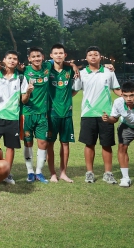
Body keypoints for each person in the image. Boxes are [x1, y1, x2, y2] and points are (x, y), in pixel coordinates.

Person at [73, 46, 121, 184]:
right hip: (88, 114)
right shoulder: (81, 73)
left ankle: (108, 173)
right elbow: (74, 91)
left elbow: (116, 89)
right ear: (86, 58)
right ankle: (89, 173)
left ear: (100, 57)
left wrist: (130, 97)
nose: (93, 56)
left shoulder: (109, 72)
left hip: (106, 114)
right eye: (90, 54)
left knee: (107, 145)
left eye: (96, 54)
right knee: (89, 144)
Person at [0, 51, 30, 185]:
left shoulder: (21, 78)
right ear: (4, 60)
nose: (12, 60)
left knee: (10, 147)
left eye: (15, 59)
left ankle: (6, 173)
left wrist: (28, 92)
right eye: (9, 58)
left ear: (17, 62)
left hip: (13, 117)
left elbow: (23, 100)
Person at [47, 43, 78, 183]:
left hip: (67, 113)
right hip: (51, 114)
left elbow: (76, 87)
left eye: (61, 53)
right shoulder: (47, 69)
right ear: (51, 55)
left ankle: (63, 173)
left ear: (65, 55)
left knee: (65, 143)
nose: (58, 55)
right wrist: (72, 63)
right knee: (50, 144)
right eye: (56, 53)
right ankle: (52, 173)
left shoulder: (69, 70)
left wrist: (73, 65)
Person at [21, 47, 52, 184]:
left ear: (43, 57)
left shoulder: (47, 67)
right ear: (29, 59)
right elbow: (23, 100)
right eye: (33, 57)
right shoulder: (24, 71)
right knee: (28, 143)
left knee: (43, 143)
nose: (36, 59)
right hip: (28, 113)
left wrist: (74, 66)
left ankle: (39, 172)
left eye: (38, 56)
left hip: (42, 114)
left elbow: (61, 61)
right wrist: (28, 92)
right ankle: (30, 172)